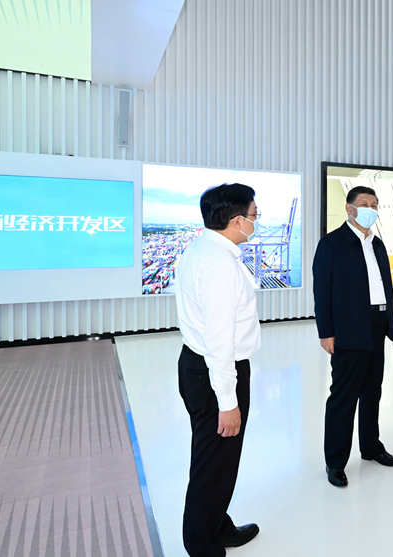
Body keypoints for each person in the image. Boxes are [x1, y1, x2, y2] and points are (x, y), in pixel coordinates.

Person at [175, 183, 262, 555]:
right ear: (236, 220)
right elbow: (220, 340)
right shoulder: (219, 265)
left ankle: (217, 526)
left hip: (199, 365)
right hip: (216, 372)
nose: (256, 221)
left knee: (217, 461)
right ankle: (202, 546)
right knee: (212, 465)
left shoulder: (203, 249)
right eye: (254, 215)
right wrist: (228, 401)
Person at [313, 186, 393, 487]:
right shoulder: (332, 243)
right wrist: (326, 332)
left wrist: (390, 323)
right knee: (344, 395)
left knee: (372, 391)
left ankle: (371, 447)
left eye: (374, 205)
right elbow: (322, 291)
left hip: (377, 323)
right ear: (349, 208)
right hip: (349, 328)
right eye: (364, 204)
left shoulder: (377, 243)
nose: (370, 209)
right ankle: (335, 461)